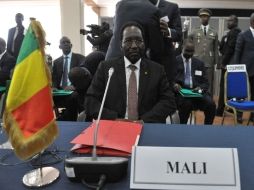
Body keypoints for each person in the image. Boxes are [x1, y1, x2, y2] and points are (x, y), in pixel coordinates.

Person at [85, 21, 176, 123]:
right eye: (128, 41)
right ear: (120, 46)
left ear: (144, 44)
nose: (134, 46)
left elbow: (169, 101)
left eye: (138, 40)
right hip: (114, 127)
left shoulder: (157, 70)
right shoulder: (106, 68)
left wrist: (144, 120)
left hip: (147, 126)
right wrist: (114, 119)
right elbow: (90, 101)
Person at [174, 40, 216, 124]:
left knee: (211, 105)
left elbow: (205, 82)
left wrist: (200, 88)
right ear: (182, 48)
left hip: (196, 92)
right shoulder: (174, 61)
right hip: (181, 92)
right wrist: (174, 85)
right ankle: (182, 129)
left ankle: (207, 129)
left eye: (191, 51)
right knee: (186, 105)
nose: (189, 53)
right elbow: (168, 79)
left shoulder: (199, 63)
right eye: (187, 51)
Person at [52, 36, 86, 121]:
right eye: (63, 42)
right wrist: (54, 87)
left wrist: (74, 86)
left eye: (68, 42)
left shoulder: (80, 58)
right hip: (60, 91)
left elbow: (84, 77)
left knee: (74, 97)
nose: (66, 44)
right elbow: (55, 78)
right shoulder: (56, 62)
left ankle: (72, 122)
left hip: (74, 91)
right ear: (60, 47)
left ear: (71, 45)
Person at [188, 8, 219, 95]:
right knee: (196, 81)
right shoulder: (194, 31)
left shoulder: (214, 32)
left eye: (205, 16)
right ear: (199, 18)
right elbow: (188, 44)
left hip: (209, 62)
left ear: (209, 18)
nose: (203, 18)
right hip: (197, 61)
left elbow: (216, 48)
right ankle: (196, 101)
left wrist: (217, 63)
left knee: (209, 82)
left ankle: (208, 101)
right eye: (202, 16)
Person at [216, 15, 241, 117]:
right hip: (229, 64)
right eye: (227, 21)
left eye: (230, 21)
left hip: (229, 64)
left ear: (235, 22)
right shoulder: (228, 34)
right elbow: (223, 49)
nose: (227, 23)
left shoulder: (235, 32)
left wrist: (223, 63)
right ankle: (230, 109)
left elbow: (230, 50)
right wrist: (221, 41)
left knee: (224, 87)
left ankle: (220, 110)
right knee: (228, 87)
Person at [234, 13, 254, 121]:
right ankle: (239, 115)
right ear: (252, 22)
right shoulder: (243, 35)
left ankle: (253, 116)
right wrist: (237, 70)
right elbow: (237, 53)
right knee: (241, 93)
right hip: (245, 70)